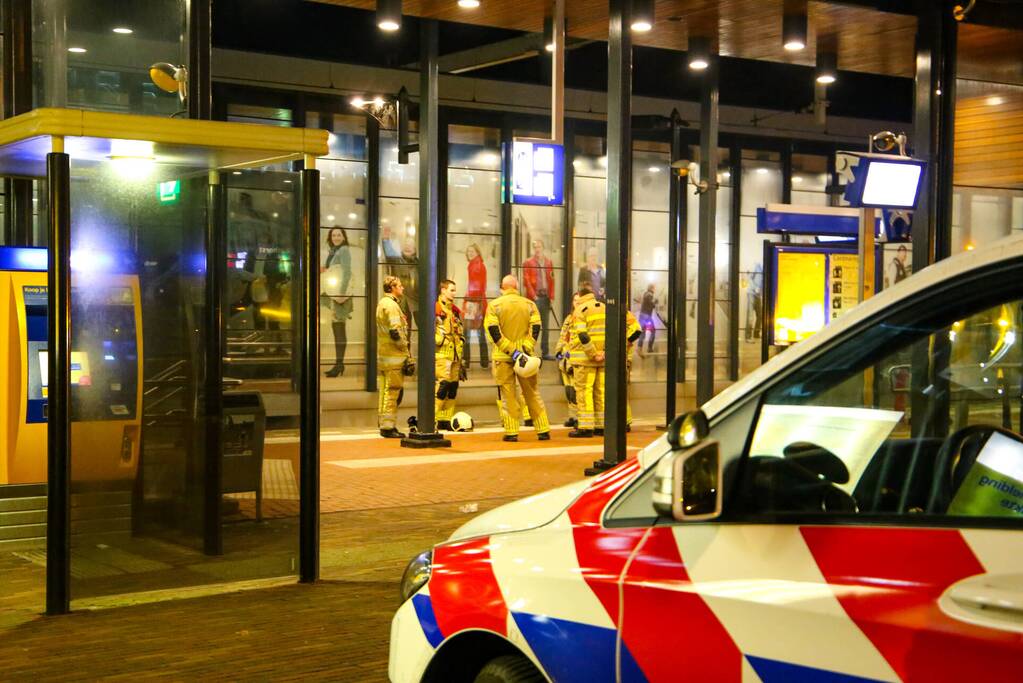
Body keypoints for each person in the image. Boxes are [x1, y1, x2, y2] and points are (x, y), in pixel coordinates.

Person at [484, 274, 552, 442]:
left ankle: (512, 432)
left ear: (502, 288)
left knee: (508, 395)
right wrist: (526, 348)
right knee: (532, 393)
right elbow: (536, 327)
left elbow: (493, 332)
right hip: (526, 358)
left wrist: (512, 351)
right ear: (517, 287)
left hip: (503, 357)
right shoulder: (530, 304)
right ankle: (543, 429)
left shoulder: (494, 306)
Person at [569, 280, 606, 438]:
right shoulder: (604, 308)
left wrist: (593, 354)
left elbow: (582, 335)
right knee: (600, 392)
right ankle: (601, 425)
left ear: (580, 295)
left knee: (584, 392)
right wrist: (603, 352)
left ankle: (585, 427)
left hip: (585, 360)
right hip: (603, 359)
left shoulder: (580, 311)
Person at [376, 276, 412, 438]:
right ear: (392, 288)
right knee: (393, 392)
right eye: (399, 286)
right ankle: (388, 427)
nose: (402, 288)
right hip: (395, 357)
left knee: (386, 392)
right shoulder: (391, 306)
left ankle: (385, 423)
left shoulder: (383, 303)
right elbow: (396, 332)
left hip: (385, 356)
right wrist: (406, 353)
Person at [435, 279, 465, 432]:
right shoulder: (436, 309)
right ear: (443, 290)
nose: (454, 293)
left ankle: (445, 420)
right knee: (442, 386)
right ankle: (432, 419)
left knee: (453, 387)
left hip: (455, 356)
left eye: (454, 290)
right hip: (442, 355)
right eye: (452, 290)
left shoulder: (454, 311)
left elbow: (459, 333)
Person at [322, 227, 352, 377]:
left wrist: (341, 293)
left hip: (340, 295)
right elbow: (334, 270)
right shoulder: (334, 250)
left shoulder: (343, 250)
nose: (336, 237)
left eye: (339, 234)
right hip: (335, 294)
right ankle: (338, 364)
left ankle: (339, 364)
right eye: (333, 235)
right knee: (337, 328)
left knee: (339, 328)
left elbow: (346, 272)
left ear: (343, 237)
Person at [521, 239, 555, 359]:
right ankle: (528, 350)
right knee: (532, 325)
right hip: (533, 298)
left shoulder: (548, 262)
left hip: (545, 297)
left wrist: (551, 296)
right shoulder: (528, 263)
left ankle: (545, 352)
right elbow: (527, 281)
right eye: (535, 247)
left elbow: (552, 280)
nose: (537, 249)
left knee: (545, 326)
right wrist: (533, 296)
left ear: (543, 248)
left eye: (539, 247)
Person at [555, 293, 580, 428]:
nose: (576, 302)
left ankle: (578, 417)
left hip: (576, 360)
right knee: (569, 391)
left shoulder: (582, 318)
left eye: (578, 300)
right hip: (565, 359)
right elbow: (563, 336)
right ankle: (572, 416)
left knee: (576, 391)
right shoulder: (569, 318)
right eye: (574, 300)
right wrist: (558, 352)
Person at [462, 243, 489, 369]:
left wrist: (470, 300)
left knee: (467, 333)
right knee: (480, 333)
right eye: (468, 251)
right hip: (477, 301)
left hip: (474, 302)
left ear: (477, 252)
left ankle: (466, 361)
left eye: (472, 251)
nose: (470, 253)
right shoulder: (476, 265)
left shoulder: (476, 266)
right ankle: (484, 361)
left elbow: (477, 287)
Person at [625, 309, 643, 431]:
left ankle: (625, 421)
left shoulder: (625, 313)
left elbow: (637, 330)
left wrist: (626, 342)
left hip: (624, 358)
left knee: (621, 392)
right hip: (611, 358)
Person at [637, 283, 658, 355]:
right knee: (653, 331)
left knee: (642, 333)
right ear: (652, 288)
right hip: (647, 317)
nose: (655, 289)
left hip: (642, 316)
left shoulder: (645, 293)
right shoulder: (650, 294)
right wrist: (655, 302)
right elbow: (652, 304)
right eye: (654, 288)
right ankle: (649, 348)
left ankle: (639, 349)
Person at [745, 262, 763, 341]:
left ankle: (756, 333)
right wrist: (755, 288)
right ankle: (748, 337)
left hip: (758, 294)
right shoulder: (757, 266)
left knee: (760, 315)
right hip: (751, 293)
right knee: (750, 316)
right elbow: (749, 277)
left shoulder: (764, 269)